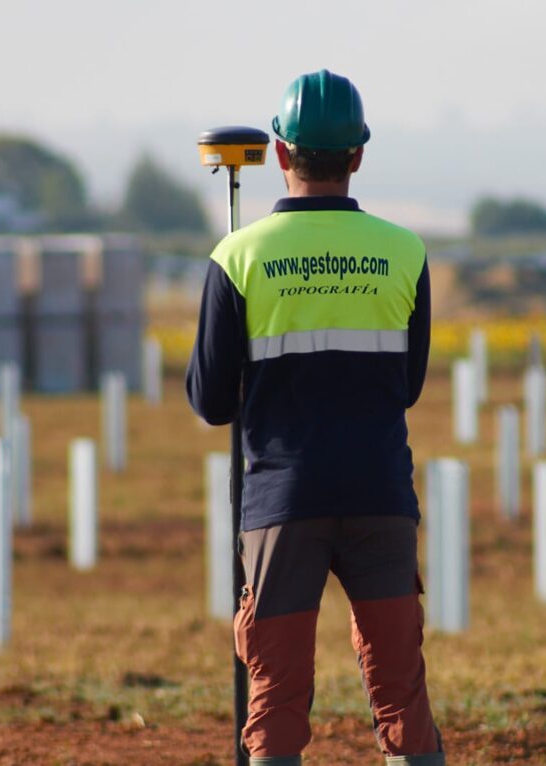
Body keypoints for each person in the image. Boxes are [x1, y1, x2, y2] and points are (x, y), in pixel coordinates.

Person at [186, 70, 442, 766]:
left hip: (280, 503)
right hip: (380, 497)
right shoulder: (405, 252)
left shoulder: (237, 257)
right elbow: (408, 386)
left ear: (278, 152)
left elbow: (210, 402)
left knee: (274, 700)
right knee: (400, 694)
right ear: (358, 155)